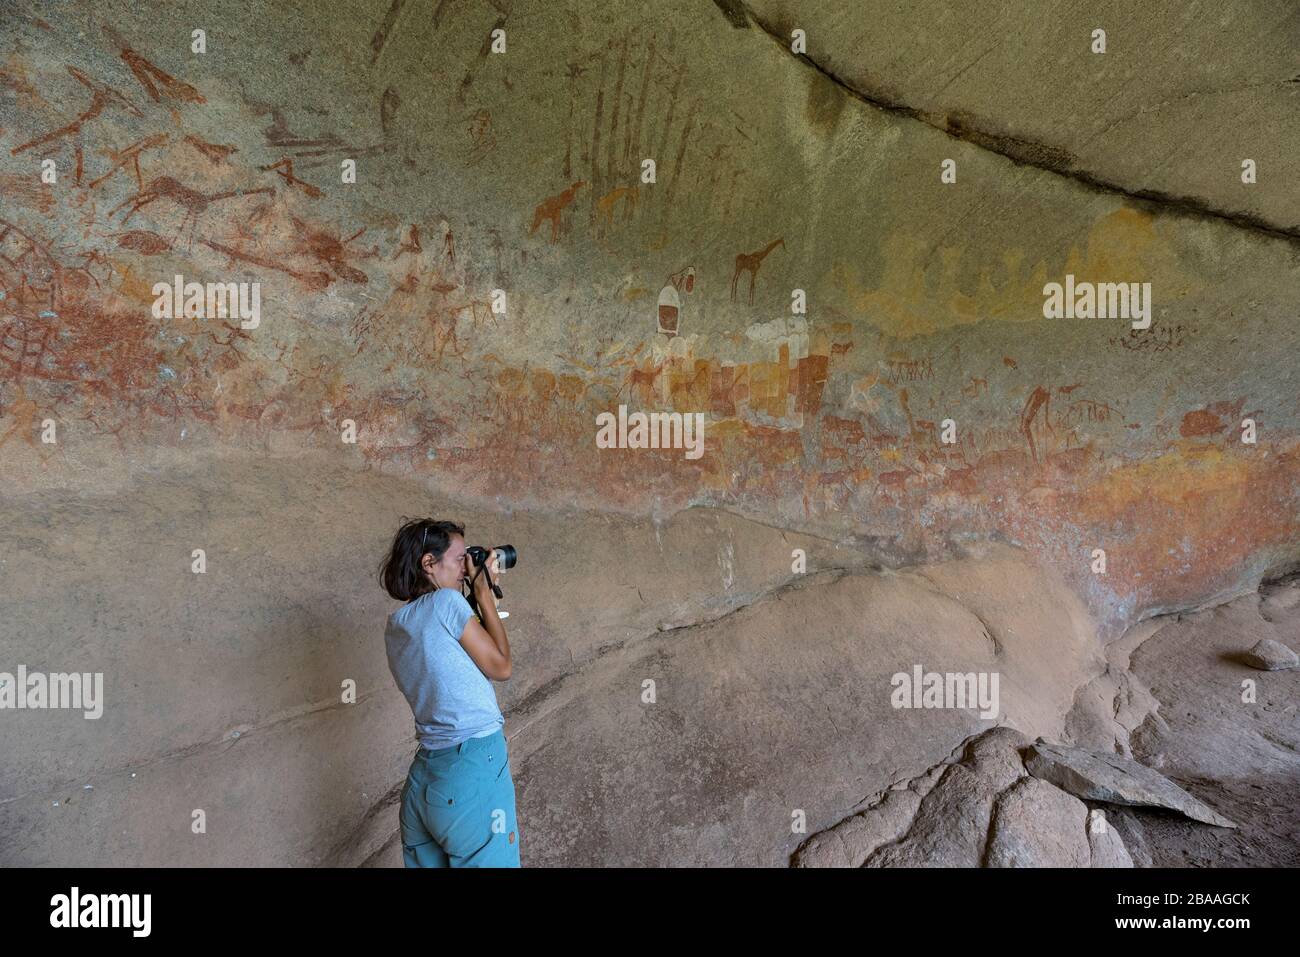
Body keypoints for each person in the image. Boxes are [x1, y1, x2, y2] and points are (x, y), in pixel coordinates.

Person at [378, 518, 519, 867]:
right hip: (470, 770)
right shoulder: (445, 604)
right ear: (429, 563)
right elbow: (501, 667)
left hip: (424, 784)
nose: (466, 569)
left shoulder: (397, 625)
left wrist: (474, 593)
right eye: (460, 559)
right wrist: (483, 593)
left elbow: (454, 652)